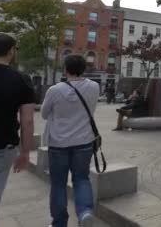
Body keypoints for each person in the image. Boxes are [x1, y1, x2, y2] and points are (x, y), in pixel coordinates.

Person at [41, 54, 100, 226]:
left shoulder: (55, 90)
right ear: (84, 69)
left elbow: (44, 114)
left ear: (65, 69)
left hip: (58, 144)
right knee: (81, 179)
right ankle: (85, 213)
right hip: (84, 142)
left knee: (58, 183)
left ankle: (59, 222)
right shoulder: (94, 87)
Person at [0, 33, 35, 227]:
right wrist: (25, 151)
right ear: (11, 52)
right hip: (3, 146)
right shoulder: (21, 79)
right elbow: (28, 120)